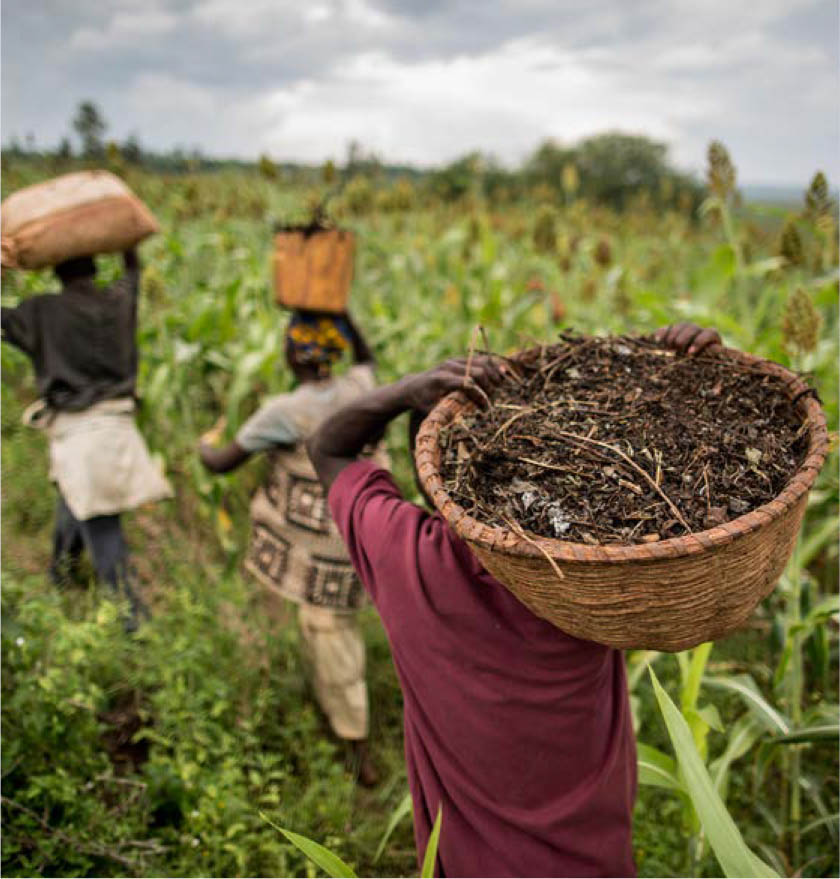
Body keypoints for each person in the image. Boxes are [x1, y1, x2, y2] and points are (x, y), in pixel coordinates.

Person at [305, 322, 722, 877]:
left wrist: (406, 390)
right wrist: (677, 363)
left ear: (435, 486)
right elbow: (675, 488)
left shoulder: (407, 559)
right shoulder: (587, 577)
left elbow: (327, 448)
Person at [198, 310, 382, 786]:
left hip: (320, 552)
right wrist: (343, 314)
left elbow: (221, 463)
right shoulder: (359, 387)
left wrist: (205, 444)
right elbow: (368, 357)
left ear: (290, 355)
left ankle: (358, 751)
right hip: (362, 538)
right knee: (331, 630)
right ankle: (335, 713)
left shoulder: (283, 412)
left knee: (332, 642)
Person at [1, 250, 173, 631]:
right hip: (116, 430)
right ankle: (59, 580)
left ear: (56, 269)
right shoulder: (118, 302)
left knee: (102, 527)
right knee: (74, 502)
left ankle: (134, 626)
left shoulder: (42, 311)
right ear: (95, 267)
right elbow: (134, 273)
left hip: (79, 436)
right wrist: (127, 244)